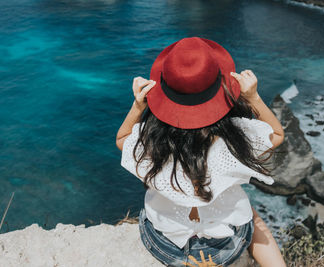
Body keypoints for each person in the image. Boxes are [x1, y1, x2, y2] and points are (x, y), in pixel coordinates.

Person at [116, 37, 286, 267]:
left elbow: (122, 139)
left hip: (167, 247)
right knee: (250, 214)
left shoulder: (153, 140)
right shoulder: (236, 137)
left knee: (154, 210)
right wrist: (252, 97)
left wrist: (138, 105)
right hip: (222, 250)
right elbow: (276, 134)